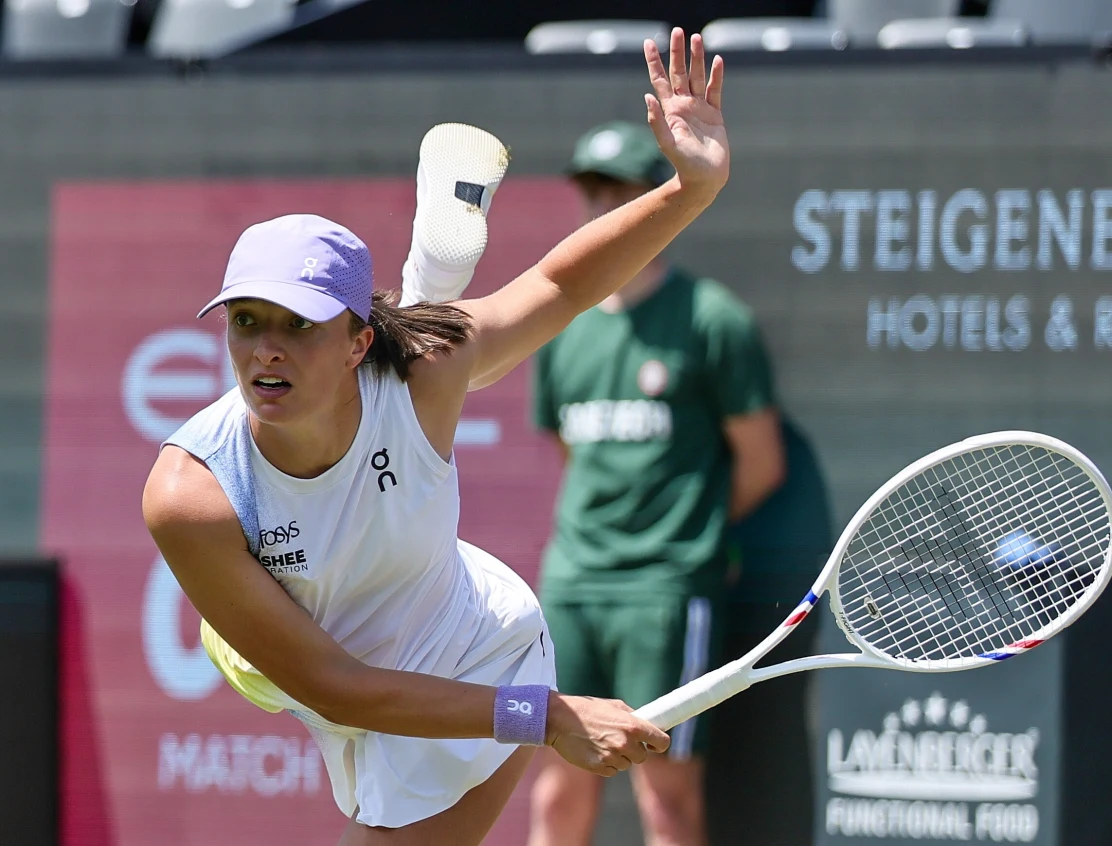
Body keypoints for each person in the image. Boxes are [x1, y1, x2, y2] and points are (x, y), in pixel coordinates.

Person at [140, 29, 728, 846]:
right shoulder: (189, 494)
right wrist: (549, 718)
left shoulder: (422, 372)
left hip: (472, 644)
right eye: (245, 322)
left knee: (432, 356)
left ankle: (424, 297)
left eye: (297, 325)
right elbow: (339, 685)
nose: (263, 348)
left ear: (353, 341)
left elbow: (558, 286)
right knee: (257, 664)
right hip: (317, 664)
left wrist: (690, 189)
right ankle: (428, 288)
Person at [525, 120, 787, 846]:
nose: (602, 206)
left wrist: (683, 538)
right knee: (556, 792)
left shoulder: (713, 320)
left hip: (667, 592)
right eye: (592, 191)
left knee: (666, 800)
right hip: (572, 587)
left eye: (621, 192)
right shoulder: (560, 326)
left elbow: (760, 462)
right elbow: (568, 450)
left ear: (659, 202)